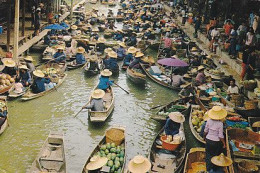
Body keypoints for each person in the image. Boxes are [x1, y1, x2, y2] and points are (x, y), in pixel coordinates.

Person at [203, 106, 227, 172]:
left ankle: (208, 169)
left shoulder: (208, 121)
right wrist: (224, 143)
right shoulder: (220, 124)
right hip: (216, 142)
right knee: (215, 156)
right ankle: (213, 168)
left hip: (208, 140)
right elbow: (220, 136)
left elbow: (205, 131)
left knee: (208, 155)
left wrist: (204, 138)